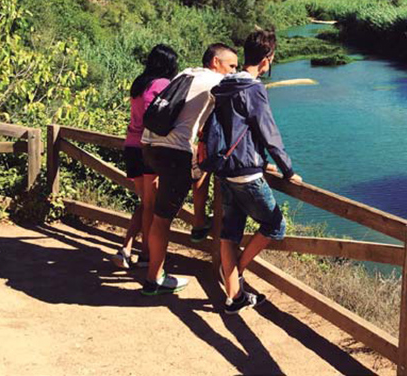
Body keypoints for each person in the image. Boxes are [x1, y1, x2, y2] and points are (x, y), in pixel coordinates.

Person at [209, 29, 302, 314]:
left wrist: (262, 161)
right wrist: (288, 171)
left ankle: (234, 297)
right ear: (267, 59)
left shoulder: (224, 85)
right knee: (276, 226)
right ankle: (235, 274)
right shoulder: (253, 89)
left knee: (230, 233)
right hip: (247, 175)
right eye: (271, 60)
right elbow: (268, 133)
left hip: (225, 170)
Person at [140, 43, 239, 296]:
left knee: (162, 208)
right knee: (163, 219)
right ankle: (155, 279)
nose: (232, 72)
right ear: (216, 62)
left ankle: (197, 223)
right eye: (231, 66)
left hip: (149, 146)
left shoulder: (186, 72)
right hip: (173, 153)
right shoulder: (217, 81)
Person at [109, 44, 178, 269]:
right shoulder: (161, 84)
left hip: (131, 146)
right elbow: (155, 114)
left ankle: (127, 248)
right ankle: (146, 256)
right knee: (150, 204)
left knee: (145, 202)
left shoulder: (139, 83)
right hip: (148, 148)